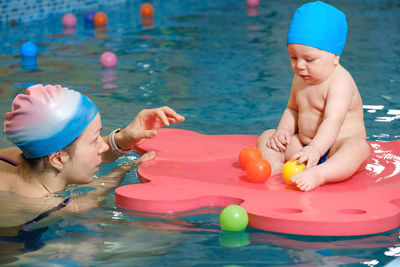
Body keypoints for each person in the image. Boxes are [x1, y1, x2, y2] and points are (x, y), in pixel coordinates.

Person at [0, 84, 185, 234]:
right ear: (57, 158)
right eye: (94, 140)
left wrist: (123, 139)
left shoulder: (11, 156)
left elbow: (74, 155)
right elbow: (94, 195)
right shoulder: (44, 207)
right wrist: (126, 167)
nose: (103, 146)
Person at [256, 1, 370, 191]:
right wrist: (283, 131)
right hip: (304, 147)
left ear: (335, 57)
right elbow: (292, 108)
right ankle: (274, 166)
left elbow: (333, 121)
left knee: (358, 148)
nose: (299, 66)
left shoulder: (340, 82)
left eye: (309, 59)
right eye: (293, 57)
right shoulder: (300, 77)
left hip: (334, 151)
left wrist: (316, 150)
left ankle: (321, 174)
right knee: (268, 136)